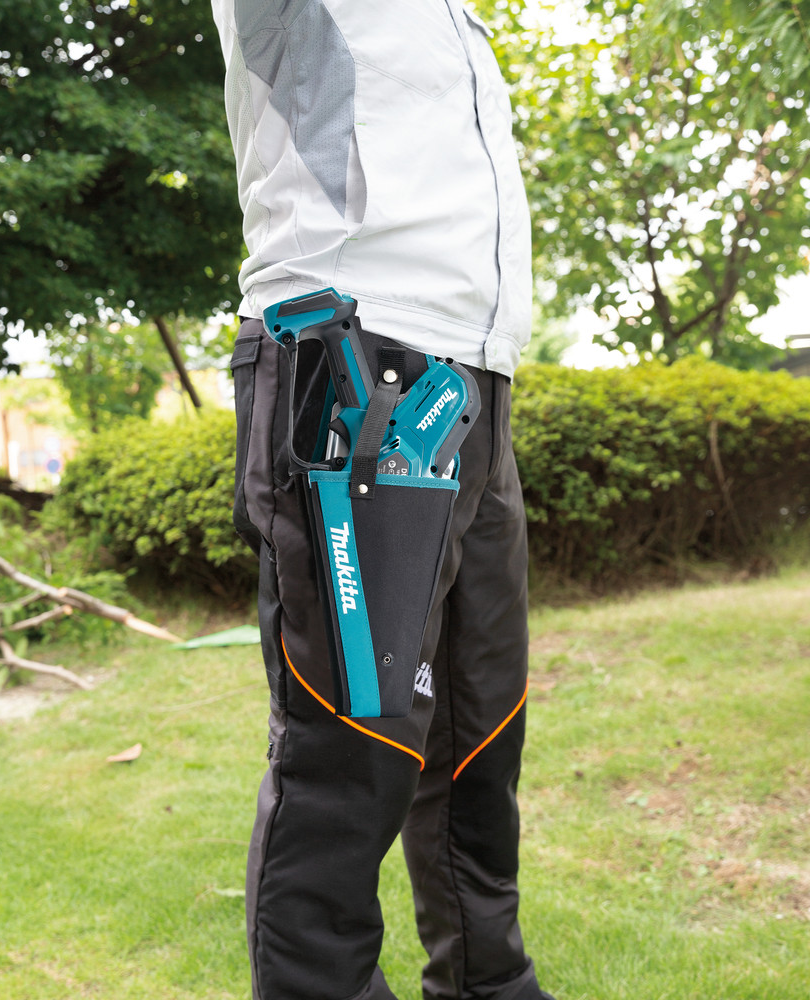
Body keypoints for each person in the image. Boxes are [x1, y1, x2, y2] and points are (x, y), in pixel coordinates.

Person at [210, 2, 554, 998]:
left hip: (474, 375)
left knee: (478, 735)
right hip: (352, 350)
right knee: (348, 755)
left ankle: (490, 982)